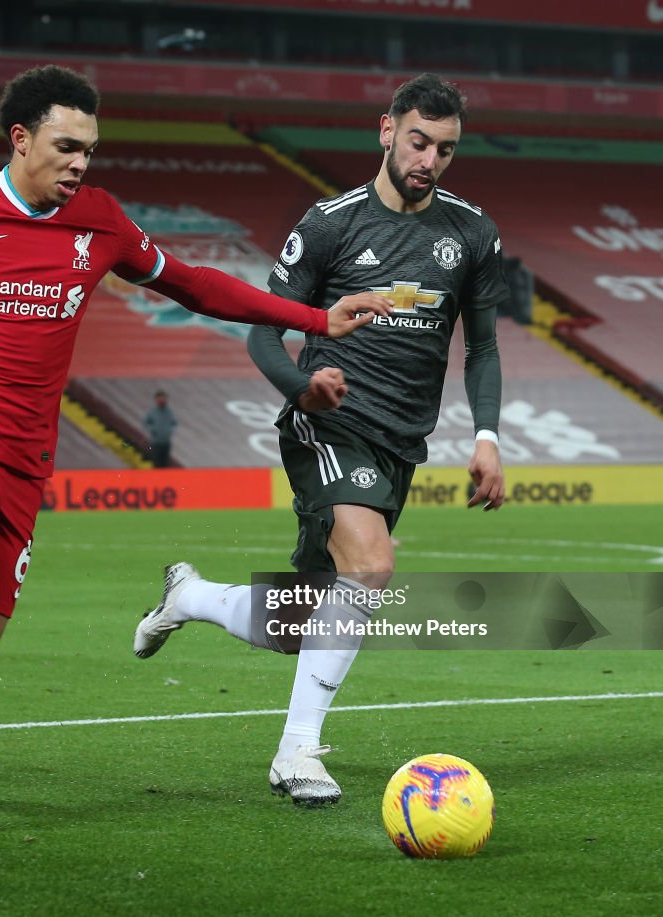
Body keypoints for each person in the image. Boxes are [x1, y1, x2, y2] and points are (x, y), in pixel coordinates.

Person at [0, 64, 393, 861]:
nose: (80, 164)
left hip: (23, 463)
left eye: (89, 150)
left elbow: (195, 284)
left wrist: (314, 317)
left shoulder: (99, 221)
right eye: (66, 147)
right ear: (20, 139)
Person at [134, 73, 508, 806]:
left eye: (445, 148)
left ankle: (191, 595)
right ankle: (297, 751)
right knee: (371, 564)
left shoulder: (471, 234)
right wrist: (301, 388)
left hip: (402, 442)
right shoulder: (332, 223)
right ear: (386, 131)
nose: (429, 158)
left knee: (299, 618)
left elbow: (486, 346)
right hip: (325, 424)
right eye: (418, 141)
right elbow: (264, 328)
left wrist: (488, 435)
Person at [143, 389, 177, 467]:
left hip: (166, 442)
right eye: (160, 399)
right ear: (156, 400)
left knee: (165, 464)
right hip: (156, 443)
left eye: (164, 399)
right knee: (156, 463)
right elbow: (146, 423)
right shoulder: (152, 412)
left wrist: (170, 431)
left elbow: (174, 424)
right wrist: (152, 429)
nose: (162, 401)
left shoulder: (170, 412)